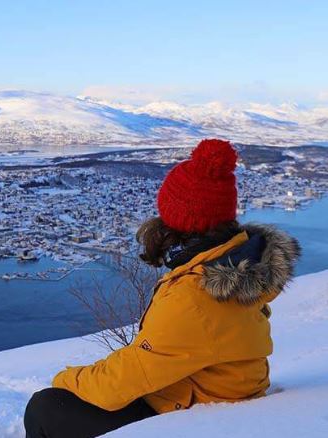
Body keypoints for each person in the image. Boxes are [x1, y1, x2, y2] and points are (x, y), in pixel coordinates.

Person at [24, 139, 301, 438]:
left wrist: (65, 379)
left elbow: (121, 381)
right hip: (209, 390)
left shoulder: (194, 295)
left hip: (199, 410)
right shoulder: (238, 264)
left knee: (46, 407)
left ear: (178, 220)